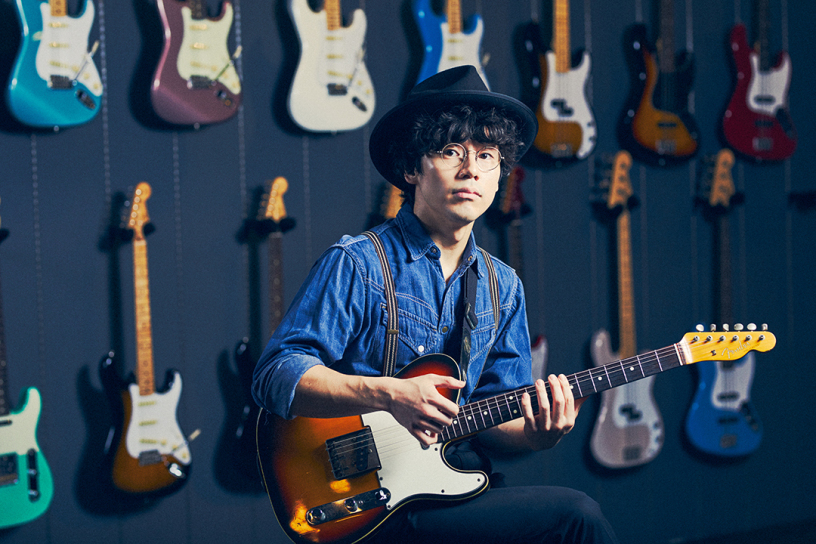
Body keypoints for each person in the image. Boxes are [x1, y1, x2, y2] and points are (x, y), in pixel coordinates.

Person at [252, 66, 619, 544]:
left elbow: (494, 418)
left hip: (453, 485)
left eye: (487, 156)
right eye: (451, 152)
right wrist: (389, 395)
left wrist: (538, 434)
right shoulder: (359, 263)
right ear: (412, 169)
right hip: (366, 499)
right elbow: (276, 375)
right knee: (577, 517)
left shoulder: (503, 286)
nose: (471, 170)